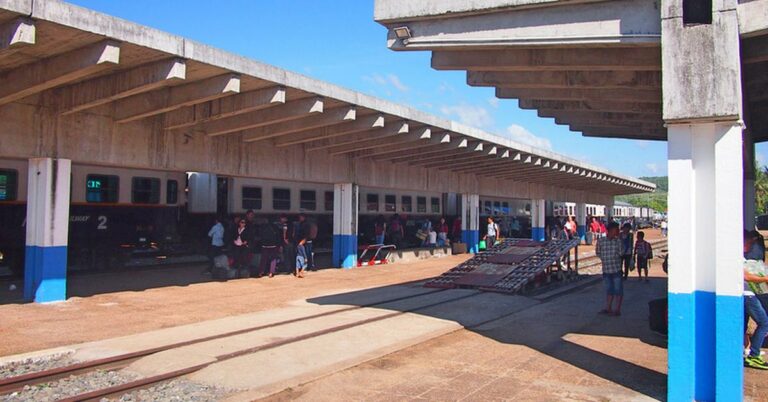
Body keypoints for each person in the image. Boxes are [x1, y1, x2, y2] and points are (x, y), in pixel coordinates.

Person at [744, 230, 768, 369]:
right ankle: (754, 355)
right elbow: (746, 277)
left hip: (748, 293)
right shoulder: (738, 258)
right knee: (764, 322)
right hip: (747, 294)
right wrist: (764, 278)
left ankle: (751, 351)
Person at [596, 222, 624, 316]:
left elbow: (621, 253)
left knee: (618, 289)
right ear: (611, 230)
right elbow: (598, 252)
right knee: (609, 289)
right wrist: (604, 258)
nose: (617, 232)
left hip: (616, 269)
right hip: (606, 269)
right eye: (616, 229)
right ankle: (608, 308)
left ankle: (617, 309)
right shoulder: (601, 241)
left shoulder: (618, 241)